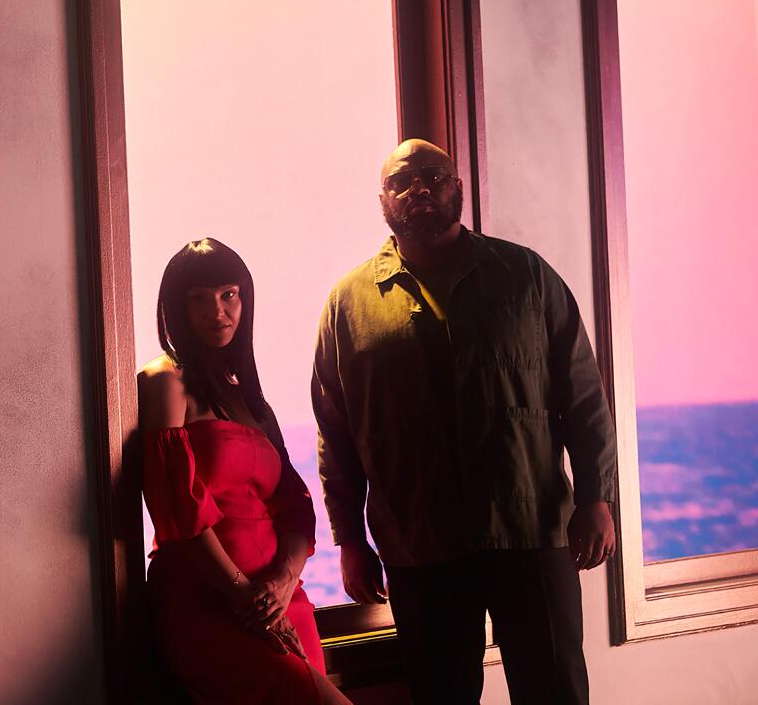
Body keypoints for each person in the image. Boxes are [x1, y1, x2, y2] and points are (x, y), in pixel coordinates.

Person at [312, 139, 617, 705]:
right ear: (383, 200)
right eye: (402, 181)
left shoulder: (525, 276)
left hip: (527, 526)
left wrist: (597, 498)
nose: (420, 189)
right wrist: (350, 539)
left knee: (554, 690)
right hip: (417, 541)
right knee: (441, 695)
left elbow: (584, 396)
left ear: (458, 188)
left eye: (434, 176)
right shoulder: (347, 304)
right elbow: (337, 433)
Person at [139, 238, 352, 705]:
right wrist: (243, 595)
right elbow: (177, 508)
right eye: (199, 298)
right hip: (210, 600)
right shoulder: (165, 382)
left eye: (228, 294)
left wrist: (281, 583)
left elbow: (296, 508)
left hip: (279, 598)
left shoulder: (253, 401)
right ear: (176, 307)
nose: (217, 311)